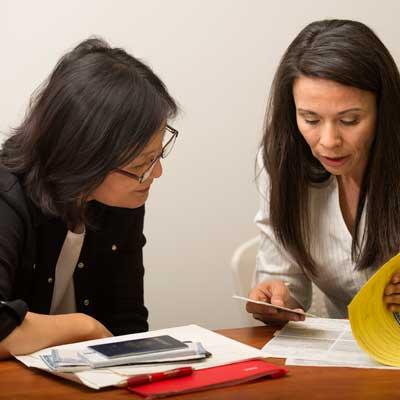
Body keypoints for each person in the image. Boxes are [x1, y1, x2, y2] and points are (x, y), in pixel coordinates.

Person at [0, 38, 178, 358]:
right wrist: (84, 327)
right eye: (141, 165)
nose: (156, 174)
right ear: (84, 157)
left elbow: (127, 322)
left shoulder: (120, 198)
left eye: (156, 156)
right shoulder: (7, 198)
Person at [247, 19, 400, 324]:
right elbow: (287, 286)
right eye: (311, 120)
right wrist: (276, 299)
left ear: (384, 110)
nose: (329, 142)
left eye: (350, 120)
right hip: (348, 354)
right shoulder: (281, 162)